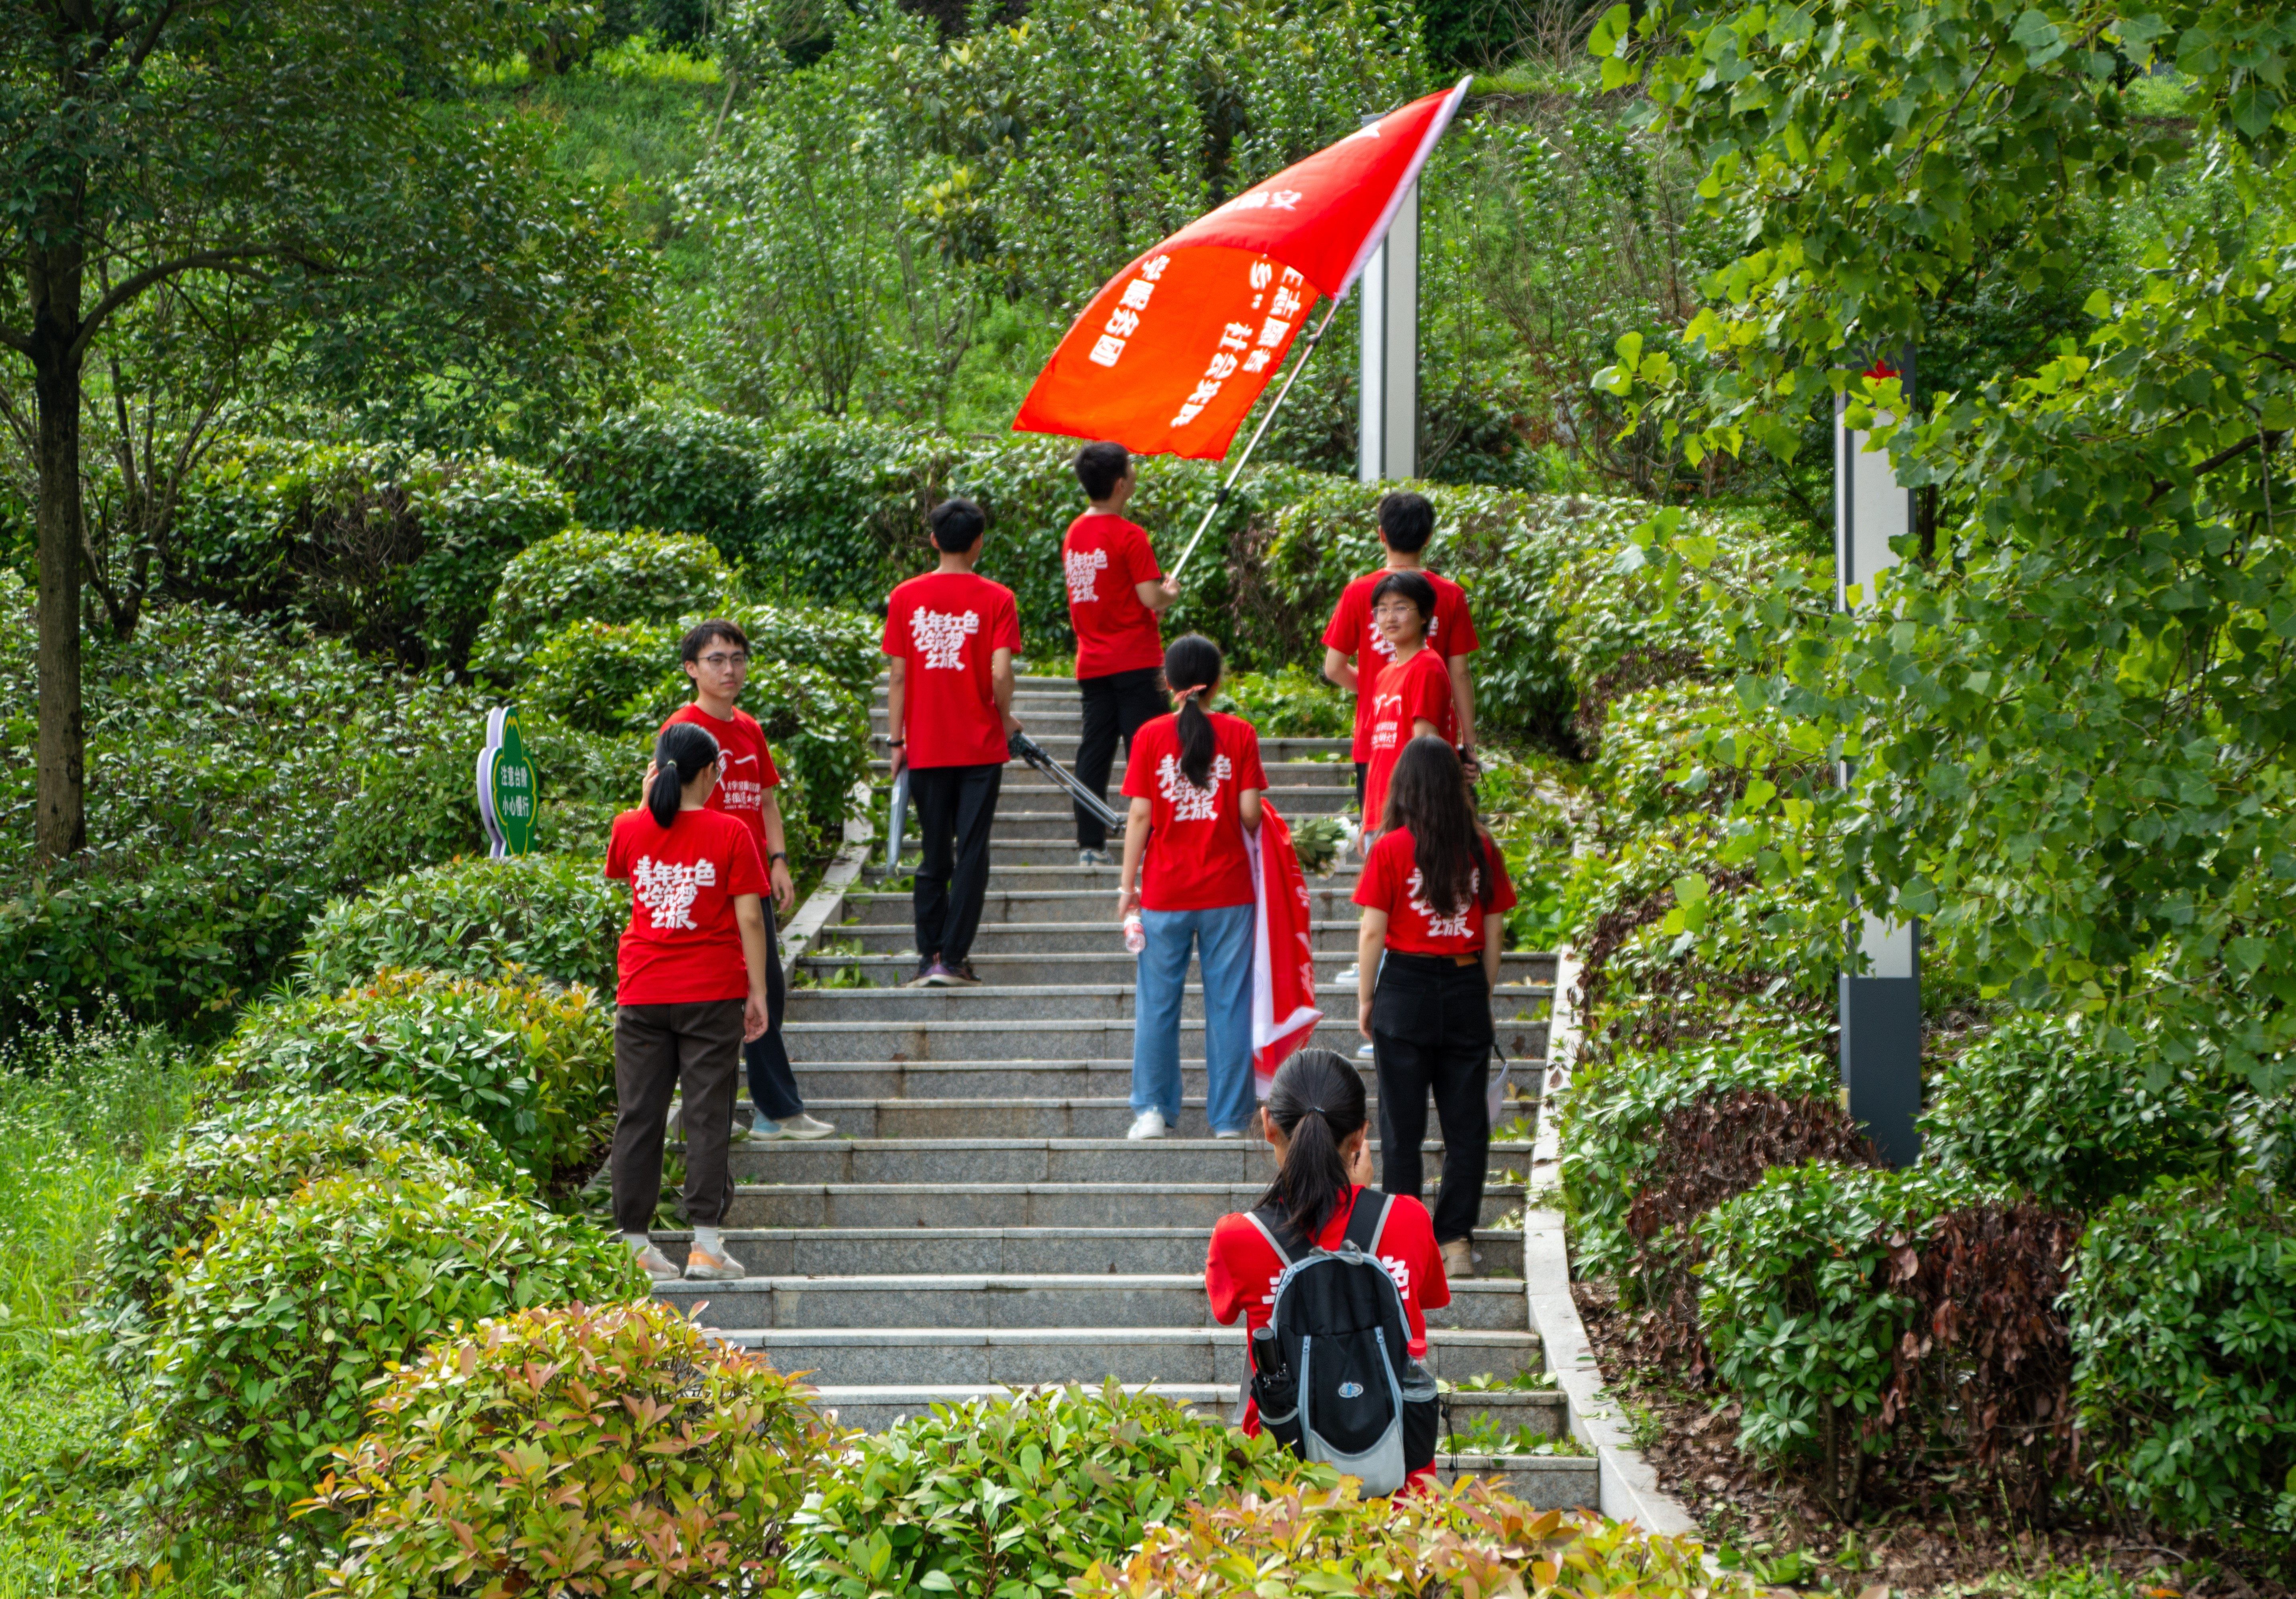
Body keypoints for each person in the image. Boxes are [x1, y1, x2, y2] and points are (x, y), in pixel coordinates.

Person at [1204, 1048, 1449, 1485]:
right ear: (1361, 1137)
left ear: (1267, 1125)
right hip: (1401, 1487)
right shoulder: (1409, 1219)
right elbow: (1425, 1300)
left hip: (1285, 1489)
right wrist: (1364, 1205)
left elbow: (1224, 1308)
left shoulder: (1237, 1236)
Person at [606, 722, 773, 1283]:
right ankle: (704, 1246)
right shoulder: (731, 833)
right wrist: (757, 991)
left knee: (639, 1116)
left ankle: (634, 1244)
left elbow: (628, 861)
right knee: (707, 1117)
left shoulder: (628, 826)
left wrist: (643, 800)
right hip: (711, 991)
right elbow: (750, 916)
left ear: (659, 769)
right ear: (713, 773)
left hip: (643, 991)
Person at [661, 618, 835, 1141]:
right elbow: (661, 806)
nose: (729, 668)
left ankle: (770, 1111)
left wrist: (778, 860)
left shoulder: (750, 728)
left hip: (751, 878)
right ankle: (754, 1112)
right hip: (706, 885)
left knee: (768, 992)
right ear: (691, 669)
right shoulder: (680, 730)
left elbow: (764, 801)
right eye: (716, 659)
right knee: (723, 997)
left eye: (737, 658)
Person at [1352, 736, 1517, 1282]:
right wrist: (1480, 992)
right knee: (1466, 1126)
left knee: (1402, 1127)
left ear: (1405, 786)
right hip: (1465, 984)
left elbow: (1373, 929)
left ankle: (1404, 1246)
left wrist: (1366, 999)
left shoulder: (1391, 848)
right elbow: (1493, 934)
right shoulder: (1481, 848)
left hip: (1405, 990)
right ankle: (1455, 1242)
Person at [1116, 634, 1266, 1140]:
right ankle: (1229, 1120)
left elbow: (1140, 815)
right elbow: (1249, 813)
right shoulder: (1240, 734)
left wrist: (1126, 886)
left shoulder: (1150, 736)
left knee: (1158, 1004)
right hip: (1229, 892)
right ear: (1218, 681)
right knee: (1229, 1004)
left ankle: (1153, 1111)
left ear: (1168, 682)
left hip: (1165, 892)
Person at [883, 497, 1022, 987]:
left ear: (935, 540)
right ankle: (956, 959)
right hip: (981, 747)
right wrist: (1004, 717)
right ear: (980, 542)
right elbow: (1000, 672)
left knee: (934, 853)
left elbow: (898, 677)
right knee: (973, 852)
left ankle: (929, 957)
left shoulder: (905, 597)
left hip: (925, 745)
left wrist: (895, 740)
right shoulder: (998, 598)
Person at [1320, 490, 1480, 807]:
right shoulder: (1450, 595)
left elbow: (1334, 667)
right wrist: (1469, 743)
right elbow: (1459, 673)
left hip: (1377, 737)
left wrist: (1375, 692)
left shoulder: (1359, 592)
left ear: (1382, 535)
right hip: (1436, 742)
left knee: (1382, 835)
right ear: (1429, 538)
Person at [1063, 441, 1180, 865]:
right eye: (1130, 470)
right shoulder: (1130, 535)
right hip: (1136, 660)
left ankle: (1090, 844)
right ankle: (1156, 842)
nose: (1134, 475)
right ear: (1119, 484)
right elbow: (1150, 596)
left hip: (1093, 662)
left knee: (1093, 751)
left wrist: (1151, 604)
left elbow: (1107, 595)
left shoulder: (1075, 533)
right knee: (1148, 750)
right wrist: (1169, 593)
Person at [1359, 570, 1459, 839]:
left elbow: (1425, 746)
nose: (1390, 617)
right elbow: (1377, 751)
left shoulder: (1427, 667)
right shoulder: (1384, 676)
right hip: (1379, 816)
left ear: (1425, 614)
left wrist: (1417, 817)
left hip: (1411, 815)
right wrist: (1367, 818)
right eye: (1382, 610)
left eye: (1401, 608)